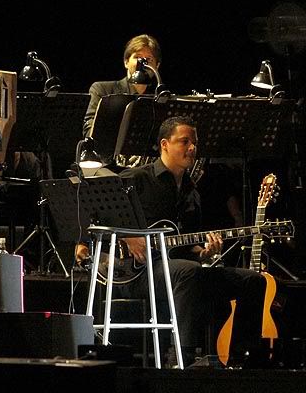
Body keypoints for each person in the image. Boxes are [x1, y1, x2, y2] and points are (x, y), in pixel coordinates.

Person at [76, 116, 267, 367]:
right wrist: (128, 237)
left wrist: (205, 252)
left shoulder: (192, 192)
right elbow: (96, 208)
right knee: (189, 272)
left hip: (175, 269)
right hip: (133, 272)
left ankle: (242, 359)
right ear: (164, 144)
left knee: (254, 280)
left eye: (194, 143)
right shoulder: (138, 178)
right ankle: (182, 357)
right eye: (184, 141)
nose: (192, 148)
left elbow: (187, 248)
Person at [82, 33, 162, 168]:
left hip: (146, 168)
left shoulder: (160, 98)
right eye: (137, 57)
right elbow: (89, 127)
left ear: (157, 66)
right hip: (106, 163)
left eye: (148, 59)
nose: (142, 63)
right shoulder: (102, 89)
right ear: (126, 62)